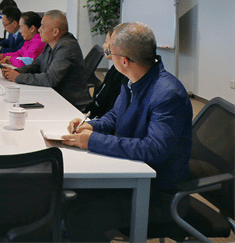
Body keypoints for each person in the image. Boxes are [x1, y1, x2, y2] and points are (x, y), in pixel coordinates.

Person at [61, 22, 193, 243]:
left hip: (158, 194)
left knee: (80, 218)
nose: (108, 56)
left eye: (110, 52)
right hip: (130, 175)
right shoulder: (134, 80)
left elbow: (154, 150)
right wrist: (92, 126)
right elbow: (116, 115)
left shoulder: (168, 94)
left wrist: (92, 141)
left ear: (124, 61)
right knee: (64, 198)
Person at [1, 10, 90, 110]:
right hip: (56, 97)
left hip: (71, 106)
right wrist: (15, 72)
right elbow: (37, 65)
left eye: (43, 27)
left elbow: (50, 79)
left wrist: (18, 77)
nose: (39, 30)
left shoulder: (67, 47)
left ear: (55, 32)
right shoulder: (51, 43)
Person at [84, 26, 126, 119]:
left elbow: (107, 106)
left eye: (107, 41)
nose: (104, 45)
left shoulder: (121, 75)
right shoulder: (114, 69)